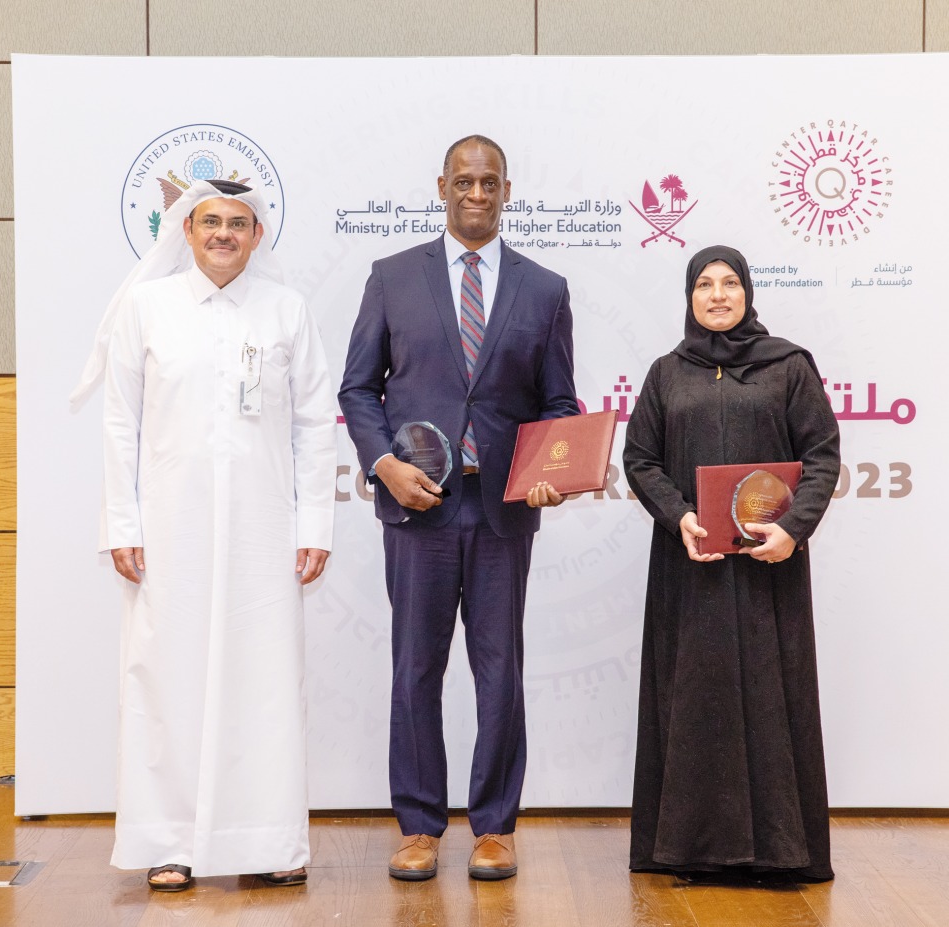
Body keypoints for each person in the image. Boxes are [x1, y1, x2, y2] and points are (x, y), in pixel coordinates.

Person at [73, 179, 337, 892]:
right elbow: (119, 422)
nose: (224, 233)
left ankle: (267, 840)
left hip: (264, 533)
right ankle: (172, 842)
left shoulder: (287, 310)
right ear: (186, 231)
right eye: (211, 221)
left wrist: (314, 523)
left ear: (258, 236)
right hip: (168, 530)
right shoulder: (146, 307)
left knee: (265, 682)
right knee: (169, 679)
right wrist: (121, 523)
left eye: (239, 223)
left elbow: (315, 423)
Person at [338, 135, 579, 882]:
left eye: (490, 182)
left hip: (504, 508)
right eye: (464, 181)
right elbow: (357, 389)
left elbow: (558, 402)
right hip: (419, 509)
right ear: (441, 185)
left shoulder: (544, 288)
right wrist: (384, 465)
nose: (476, 193)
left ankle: (495, 825)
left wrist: (552, 474)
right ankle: (418, 825)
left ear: (509, 189)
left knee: (499, 668)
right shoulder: (391, 277)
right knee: (416, 668)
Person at [622, 245, 840, 884]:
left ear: (748, 292)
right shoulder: (668, 373)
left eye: (730, 284)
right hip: (691, 567)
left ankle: (780, 852)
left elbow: (823, 454)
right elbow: (641, 460)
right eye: (705, 286)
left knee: (771, 695)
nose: (718, 296)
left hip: (767, 568)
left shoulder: (789, 367)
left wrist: (793, 530)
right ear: (689, 297)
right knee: (694, 696)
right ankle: (689, 850)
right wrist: (680, 516)